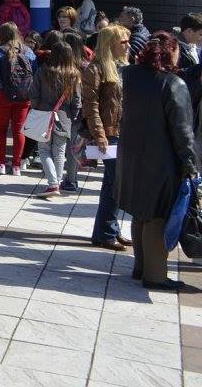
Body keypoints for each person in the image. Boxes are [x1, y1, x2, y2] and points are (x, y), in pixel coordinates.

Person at [117, 31, 198, 291]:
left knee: (141, 212)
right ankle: (155, 276)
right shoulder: (173, 83)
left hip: (132, 156)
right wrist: (190, 163)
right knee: (158, 216)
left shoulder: (131, 75)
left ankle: (141, 267)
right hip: (161, 161)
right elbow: (183, 131)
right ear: (170, 52)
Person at [83, 24, 131, 250]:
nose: (128, 45)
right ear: (110, 44)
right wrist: (99, 134)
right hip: (109, 134)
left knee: (115, 183)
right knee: (113, 183)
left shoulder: (122, 67)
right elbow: (91, 106)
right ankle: (106, 233)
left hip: (122, 132)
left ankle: (109, 230)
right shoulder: (95, 69)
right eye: (123, 42)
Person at [29, 42, 82, 199]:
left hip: (43, 114)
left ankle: (53, 183)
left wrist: (37, 109)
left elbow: (33, 93)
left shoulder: (43, 71)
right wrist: (73, 117)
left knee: (44, 149)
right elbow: (77, 101)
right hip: (64, 117)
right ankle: (56, 183)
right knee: (59, 152)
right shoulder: (74, 74)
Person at [0, 22, 36, 175]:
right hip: (24, 95)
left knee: (1, 130)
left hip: (3, 94)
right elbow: (34, 72)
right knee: (19, 130)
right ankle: (17, 166)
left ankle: (1, 164)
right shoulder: (27, 51)